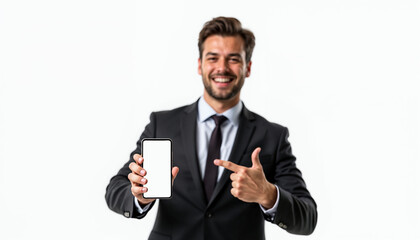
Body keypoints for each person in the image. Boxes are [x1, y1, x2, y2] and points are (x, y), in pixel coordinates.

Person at [105, 16, 317, 240]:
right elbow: (115, 190)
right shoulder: (162, 124)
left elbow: (307, 218)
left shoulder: (272, 136)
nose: (222, 68)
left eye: (233, 59)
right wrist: (139, 196)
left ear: (248, 68)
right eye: (213, 58)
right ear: (200, 65)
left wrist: (268, 195)